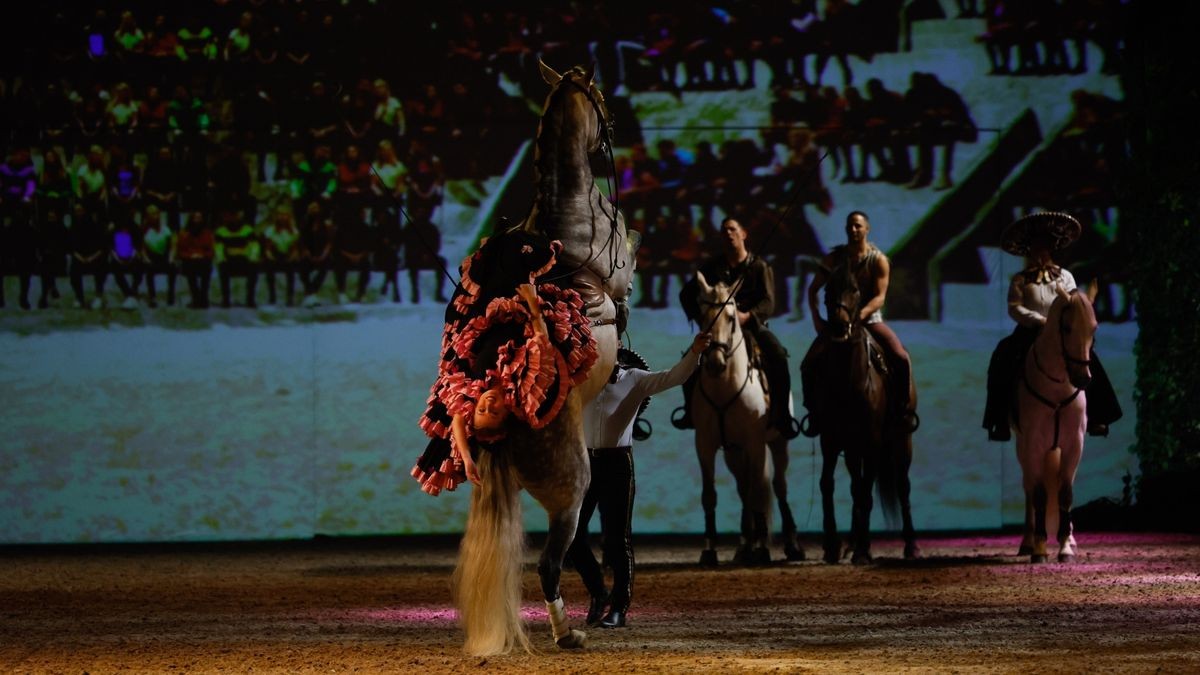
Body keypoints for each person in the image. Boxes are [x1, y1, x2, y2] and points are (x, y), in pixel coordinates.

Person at [412, 229, 597, 495]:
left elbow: (457, 420)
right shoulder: (525, 391)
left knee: (481, 277)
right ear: (507, 413)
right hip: (529, 317)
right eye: (494, 412)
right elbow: (540, 342)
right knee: (526, 261)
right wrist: (533, 304)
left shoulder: (472, 390)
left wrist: (465, 458)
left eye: (481, 411)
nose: (487, 405)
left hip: (490, 317)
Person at [568, 335, 711, 630]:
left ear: (616, 345)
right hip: (584, 464)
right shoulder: (579, 378)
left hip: (617, 464)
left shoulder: (634, 378)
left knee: (618, 539)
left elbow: (673, 377)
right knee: (571, 537)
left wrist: (695, 351)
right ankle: (598, 592)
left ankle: (619, 608)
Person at [982, 211, 1122, 441]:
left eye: (1044, 247)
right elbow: (1014, 307)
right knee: (1003, 356)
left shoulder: (1065, 276)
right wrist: (1039, 321)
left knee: (1089, 359)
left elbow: (1075, 304)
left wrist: (1064, 324)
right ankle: (999, 420)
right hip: (1030, 332)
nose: (1040, 252)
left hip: (1063, 332)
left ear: (1051, 249)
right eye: (1036, 247)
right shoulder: (1020, 279)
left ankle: (1099, 416)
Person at [676, 217, 800, 439]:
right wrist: (704, 320)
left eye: (732, 229)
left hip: (751, 327)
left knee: (778, 356)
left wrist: (747, 316)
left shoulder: (760, 267)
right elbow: (686, 294)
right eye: (724, 231)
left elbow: (769, 302)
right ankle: (689, 413)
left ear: (743, 234)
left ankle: (782, 415)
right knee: (689, 360)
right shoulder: (712, 267)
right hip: (718, 330)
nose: (728, 234)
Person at [800, 210, 916, 436]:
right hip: (837, 324)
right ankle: (814, 414)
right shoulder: (833, 259)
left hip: (869, 320)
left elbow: (880, 297)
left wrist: (860, 315)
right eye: (850, 226)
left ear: (867, 229)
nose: (853, 230)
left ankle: (903, 410)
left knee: (901, 357)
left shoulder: (878, 260)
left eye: (858, 226)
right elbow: (813, 289)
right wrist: (817, 317)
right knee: (808, 363)